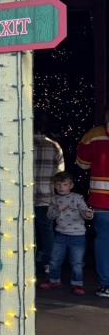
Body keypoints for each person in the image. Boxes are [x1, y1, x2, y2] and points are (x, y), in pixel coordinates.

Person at [40, 172, 93, 294]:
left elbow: (85, 213)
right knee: (54, 260)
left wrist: (89, 214)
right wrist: (57, 209)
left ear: (71, 185)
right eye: (58, 184)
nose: (61, 187)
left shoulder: (77, 198)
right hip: (60, 235)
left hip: (77, 236)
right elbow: (50, 216)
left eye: (64, 184)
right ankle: (54, 280)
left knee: (77, 262)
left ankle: (77, 284)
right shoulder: (54, 199)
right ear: (54, 185)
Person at [76, 110, 109, 298]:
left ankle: (106, 285)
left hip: (101, 199)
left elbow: (82, 163)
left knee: (104, 241)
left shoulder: (94, 134)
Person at [33, 114, 65, 274]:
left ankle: (26, 261)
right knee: (47, 231)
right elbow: (60, 174)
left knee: (25, 230)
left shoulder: (23, 145)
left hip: (24, 196)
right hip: (47, 195)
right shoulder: (55, 146)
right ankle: (48, 263)